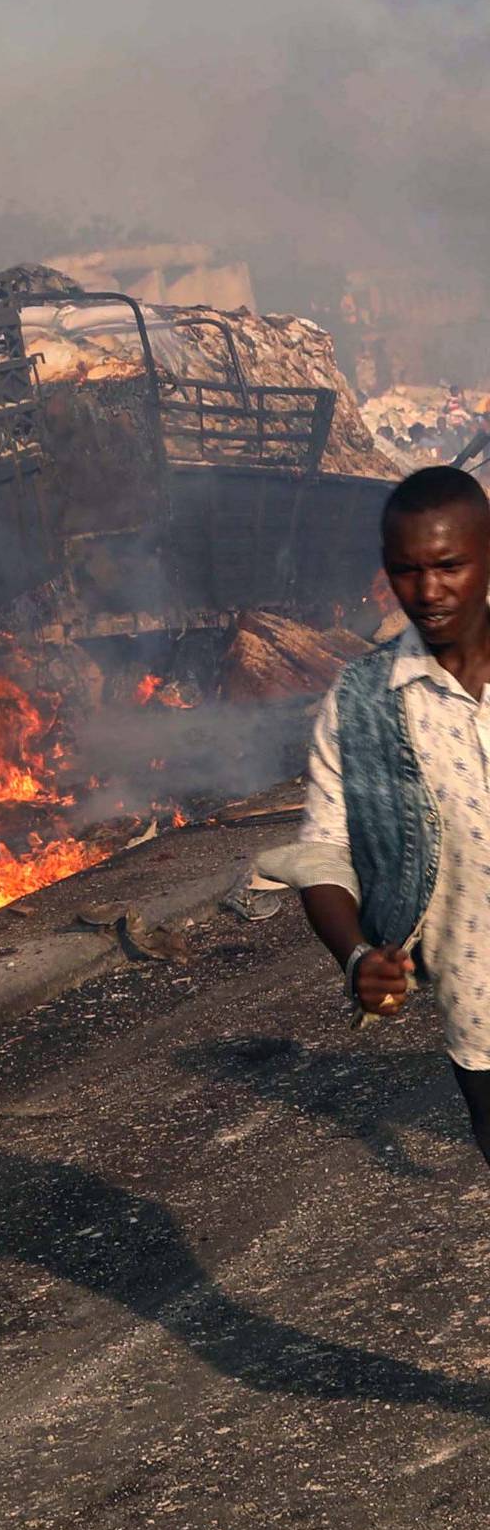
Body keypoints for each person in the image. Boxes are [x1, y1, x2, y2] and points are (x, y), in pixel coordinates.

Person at [276, 465, 490, 1162]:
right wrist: (357, 956)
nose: (428, 592)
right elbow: (324, 850)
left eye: (450, 565)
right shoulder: (363, 703)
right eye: (406, 570)